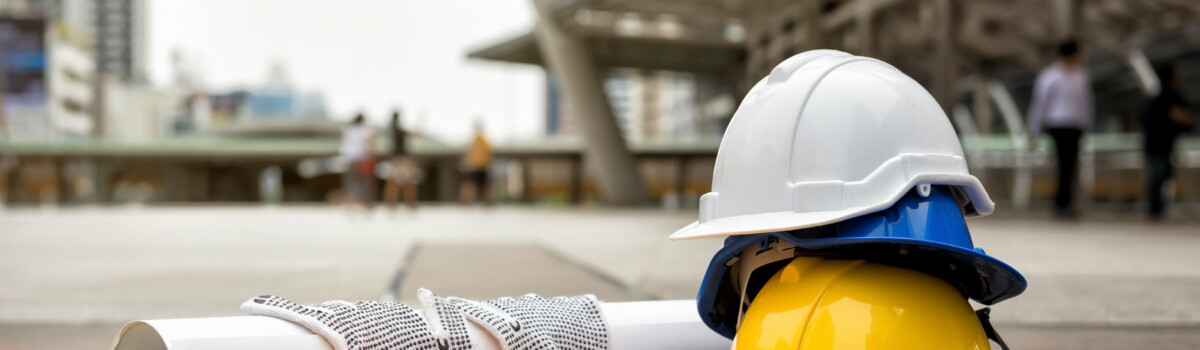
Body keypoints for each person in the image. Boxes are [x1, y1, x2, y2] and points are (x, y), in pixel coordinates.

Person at [1027, 40, 1093, 220]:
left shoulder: (1080, 76)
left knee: (1069, 166)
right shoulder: (1050, 76)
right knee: (1064, 164)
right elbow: (1040, 104)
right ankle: (1061, 204)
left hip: (1074, 125)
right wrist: (1033, 130)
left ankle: (1065, 203)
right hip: (1058, 124)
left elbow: (1085, 103)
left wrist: (1085, 124)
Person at [1142, 63, 1193, 221]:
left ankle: (1157, 209)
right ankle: (1156, 210)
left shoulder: (1156, 97)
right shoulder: (1169, 96)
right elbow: (1179, 115)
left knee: (1161, 175)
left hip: (1158, 143)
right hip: (1160, 144)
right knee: (1159, 175)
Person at [383, 110, 419, 209]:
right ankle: (410, 203)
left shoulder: (390, 129)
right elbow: (414, 134)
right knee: (408, 181)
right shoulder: (399, 129)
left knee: (393, 182)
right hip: (402, 158)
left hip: (394, 158)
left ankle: (391, 203)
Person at [339, 113, 375, 209]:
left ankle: (349, 202)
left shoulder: (348, 129)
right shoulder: (365, 129)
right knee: (364, 182)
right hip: (362, 158)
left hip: (348, 158)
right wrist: (371, 155)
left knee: (350, 181)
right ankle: (365, 202)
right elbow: (369, 143)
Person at [459, 121, 493, 205]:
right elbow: (469, 154)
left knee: (484, 185)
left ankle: (487, 200)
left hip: (481, 166)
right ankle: (464, 200)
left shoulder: (483, 141)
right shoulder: (475, 141)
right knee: (470, 184)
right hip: (475, 166)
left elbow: (488, 154)